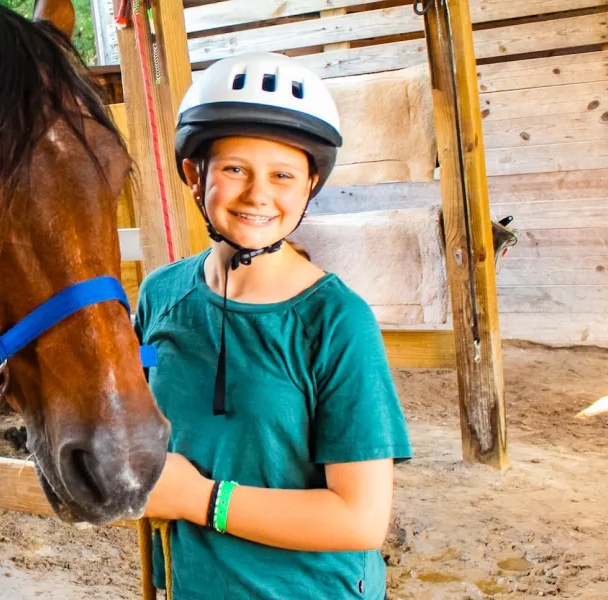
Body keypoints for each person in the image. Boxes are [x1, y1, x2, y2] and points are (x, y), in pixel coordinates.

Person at [135, 52, 412, 599]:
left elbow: (359, 519)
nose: (258, 194)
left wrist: (201, 499)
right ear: (195, 174)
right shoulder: (160, 295)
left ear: (310, 185)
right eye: (235, 169)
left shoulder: (336, 322)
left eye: (282, 175)